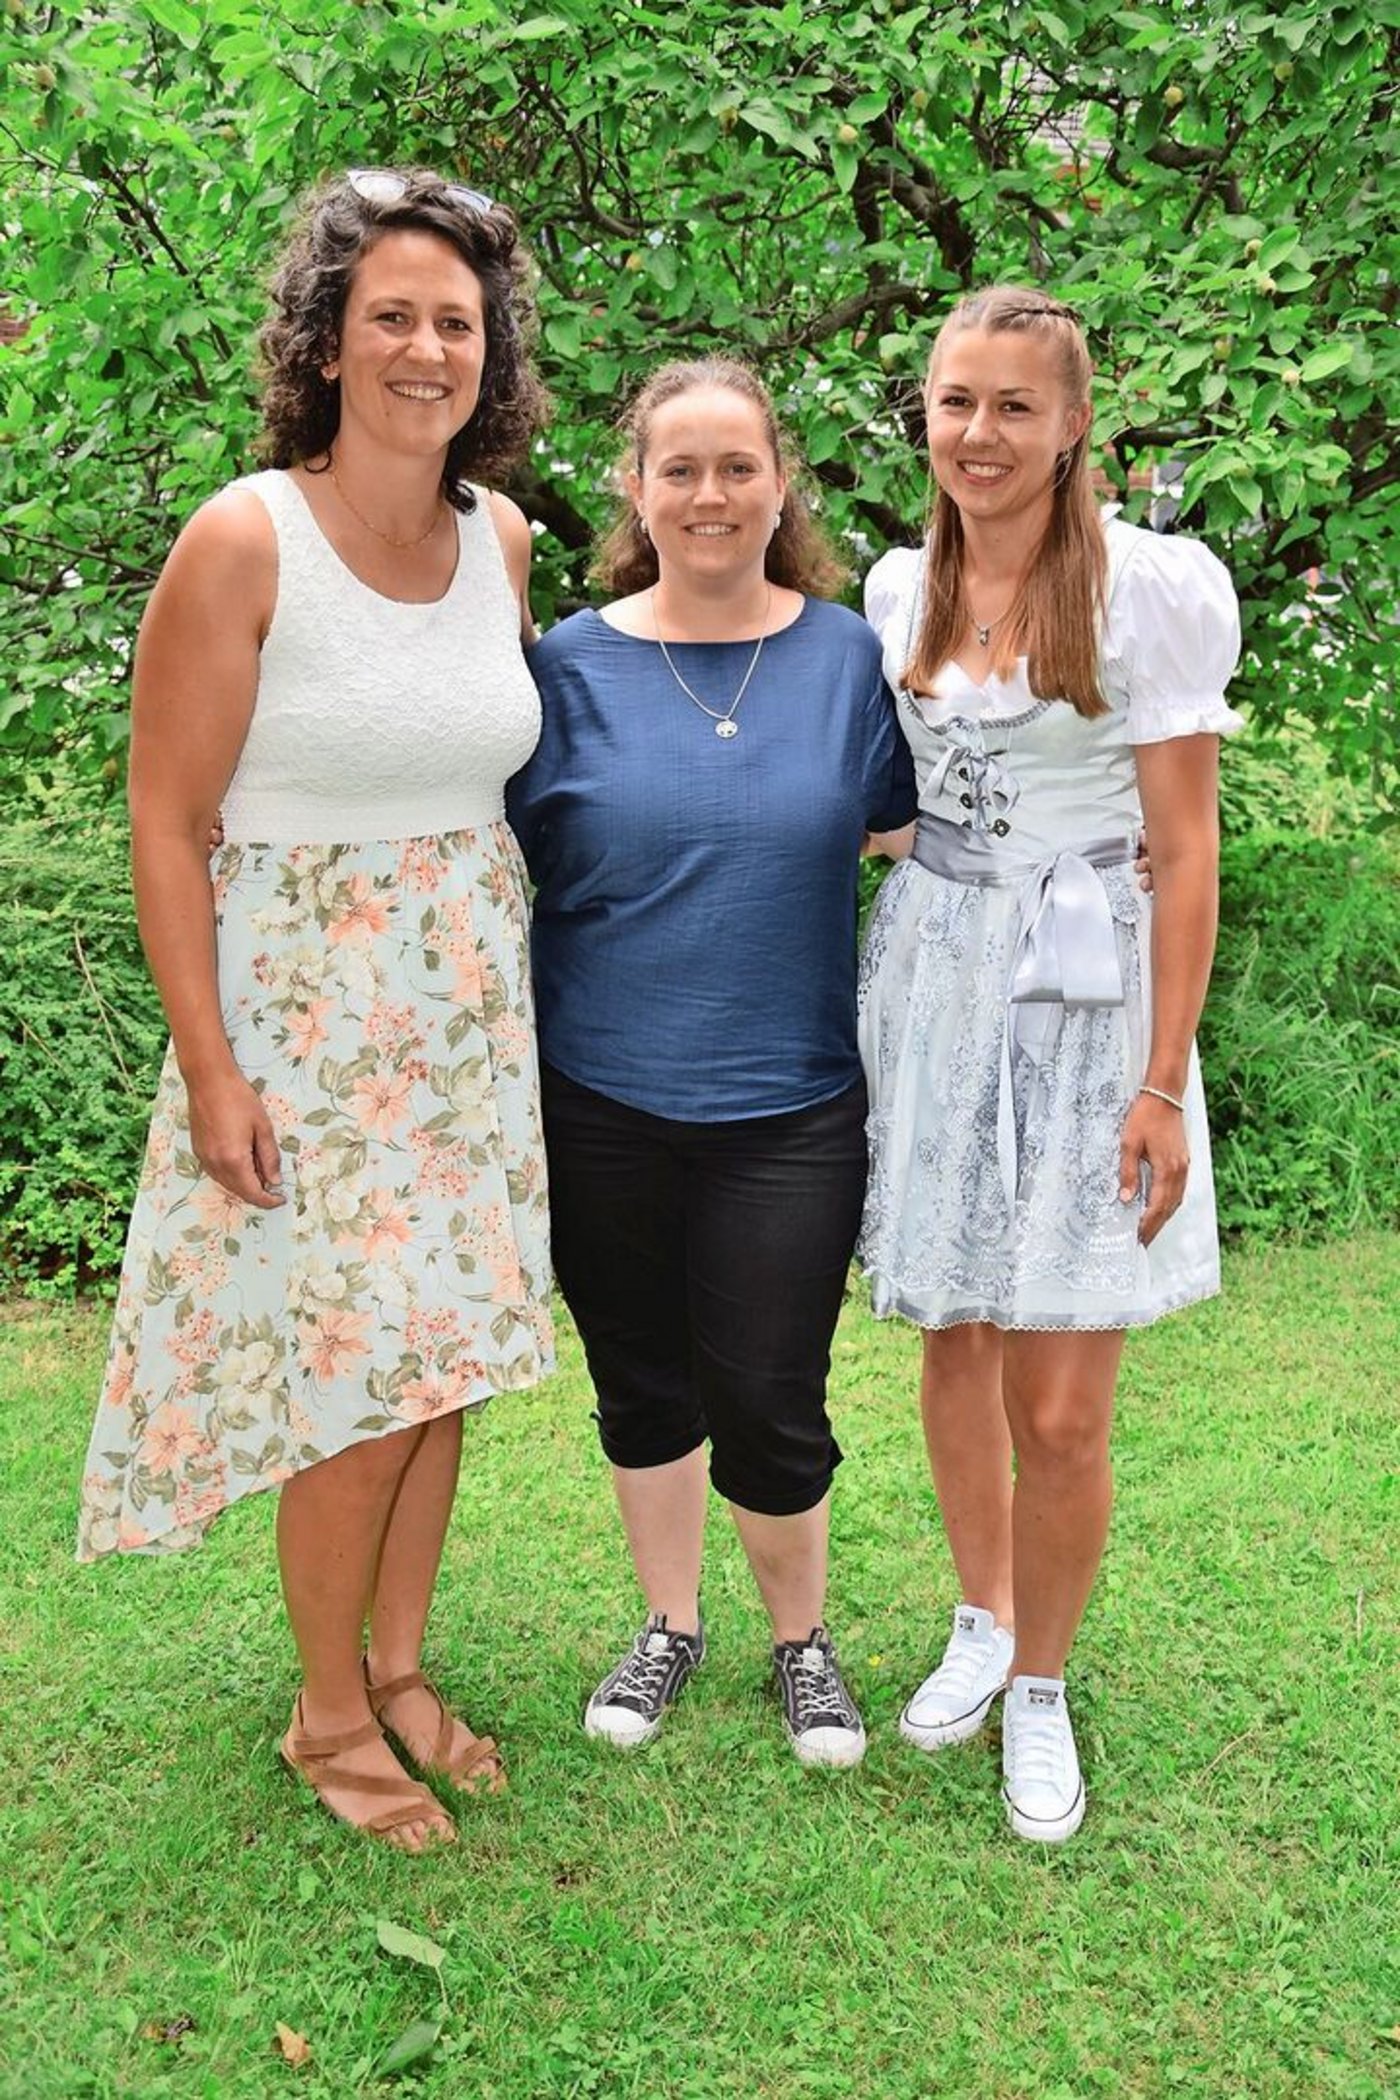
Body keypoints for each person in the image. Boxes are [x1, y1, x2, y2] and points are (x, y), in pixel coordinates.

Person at [77, 170, 554, 1851]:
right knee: (353, 1387)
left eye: (458, 321)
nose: (430, 347)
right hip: (304, 1018)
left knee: (445, 1371)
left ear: (490, 354)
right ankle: (329, 1713)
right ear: (330, 344)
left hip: (469, 1016)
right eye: (394, 319)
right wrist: (211, 1066)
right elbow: (164, 817)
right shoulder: (244, 536)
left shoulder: (503, 541)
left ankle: (404, 1665)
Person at [857, 286, 1242, 1840]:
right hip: (938, 973)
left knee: (1066, 1402)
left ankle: (1043, 1684)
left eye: (1017, 406)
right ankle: (982, 1614)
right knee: (954, 1327)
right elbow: (896, 808)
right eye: (958, 402)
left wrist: (1163, 1081)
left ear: (1076, 423)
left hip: (1090, 991)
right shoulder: (899, 590)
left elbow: (1188, 846)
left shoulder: (1147, 590)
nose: (981, 435)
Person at [507, 359, 916, 1766]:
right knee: (640, 1380)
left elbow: (906, 838)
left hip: (792, 1107)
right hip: (601, 1100)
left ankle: (803, 1645)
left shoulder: (849, 656)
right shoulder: (566, 666)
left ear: (779, 482)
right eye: (679, 468)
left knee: (771, 1389)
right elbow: (503, 865)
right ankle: (670, 1624)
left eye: (737, 465)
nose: (710, 494)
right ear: (635, 488)